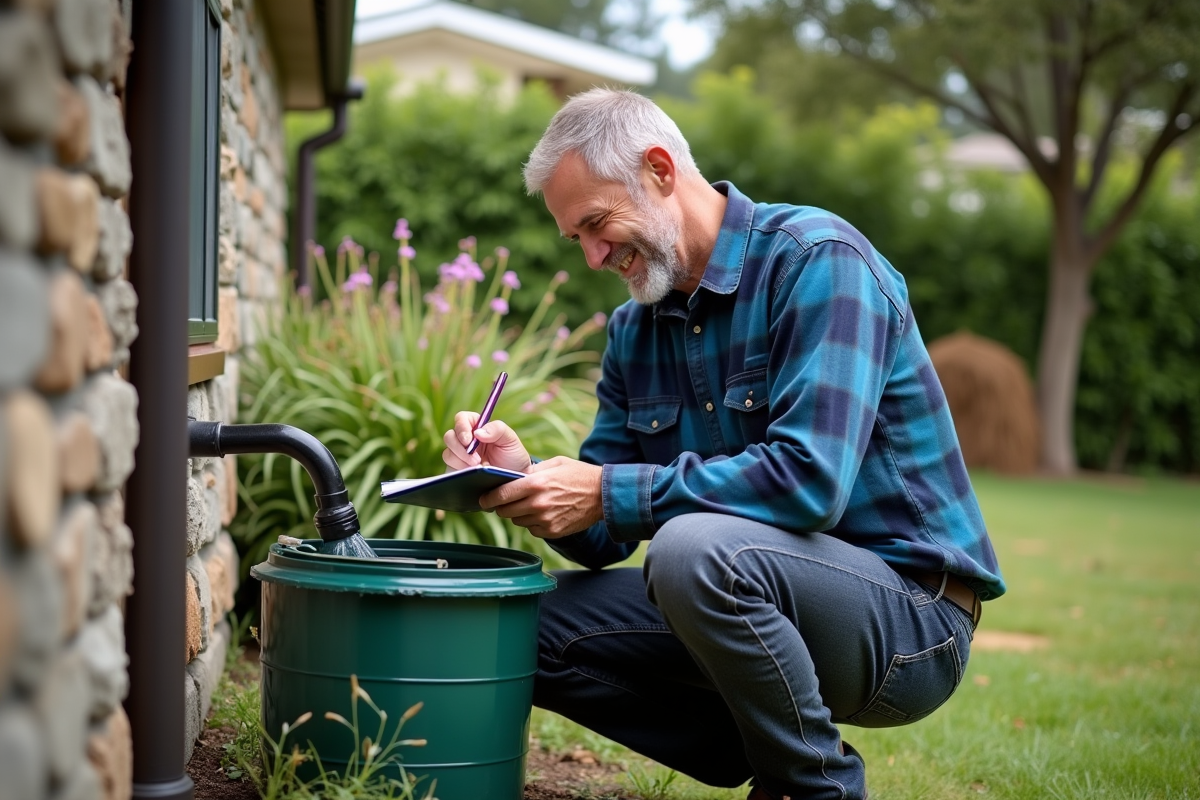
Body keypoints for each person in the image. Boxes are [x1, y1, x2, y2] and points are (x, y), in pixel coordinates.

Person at [441, 88, 1004, 800]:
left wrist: (607, 491)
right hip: (746, 592)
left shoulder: (819, 262)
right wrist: (524, 477)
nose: (592, 256)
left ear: (659, 170)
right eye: (574, 238)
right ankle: (765, 739)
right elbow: (603, 535)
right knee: (518, 626)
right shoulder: (634, 331)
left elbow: (809, 483)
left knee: (692, 550)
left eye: (596, 223)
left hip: (911, 621)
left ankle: (812, 788)